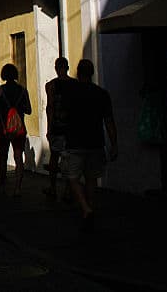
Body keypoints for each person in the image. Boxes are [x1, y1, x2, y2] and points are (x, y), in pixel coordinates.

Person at [61, 58, 118, 233]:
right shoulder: (101, 93)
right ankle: (89, 205)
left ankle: (85, 208)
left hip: (75, 141)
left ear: (78, 72)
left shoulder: (70, 92)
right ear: (92, 73)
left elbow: (63, 116)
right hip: (95, 141)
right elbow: (109, 121)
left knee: (72, 177)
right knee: (91, 177)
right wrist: (113, 143)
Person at [0, 63, 32, 196]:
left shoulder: (0, 90)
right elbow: (29, 110)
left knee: (3, 157)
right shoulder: (23, 90)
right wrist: (18, 108)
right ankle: (18, 187)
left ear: (4, 75)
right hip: (18, 129)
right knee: (18, 157)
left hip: (3, 128)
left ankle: (2, 184)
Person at [44, 57, 73, 202]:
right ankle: (68, 190)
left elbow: (49, 107)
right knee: (69, 159)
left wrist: (49, 127)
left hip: (57, 126)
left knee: (54, 157)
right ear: (67, 67)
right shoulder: (75, 84)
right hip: (71, 127)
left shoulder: (51, 85)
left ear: (56, 68)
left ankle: (53, 188)